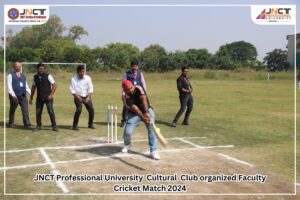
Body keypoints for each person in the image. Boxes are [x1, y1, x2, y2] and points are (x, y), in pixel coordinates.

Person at [121, 80, 160, 160]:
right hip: (134, 113)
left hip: (147, 109)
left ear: (133, 85)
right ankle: (127, 144)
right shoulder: (126, 98)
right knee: (127, 132)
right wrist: (143, 118)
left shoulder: (139, 88)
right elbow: (135, 109)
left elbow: (143, 99)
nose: (130, 90)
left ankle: (153, 151)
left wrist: (146, 112)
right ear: (125, 90)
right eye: (128, 89)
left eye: (131, 88)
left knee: (150, 128)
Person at [29, 63, 58, 132]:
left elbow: (55, 85)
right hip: (39, 98)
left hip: (48, 98)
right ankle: (38, 126)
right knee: (38, 112)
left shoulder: (48, 76)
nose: (41, 70)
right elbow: (33, 88)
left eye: (42, 69)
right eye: (40, 69)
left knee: (50, 111)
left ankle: (54, 126)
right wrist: (31, 98)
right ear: (37, 69)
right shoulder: (35, 77)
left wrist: (51, 95)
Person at [120, 59, 147, 127]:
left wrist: (144, 92)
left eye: (136, 66)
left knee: (137, 107)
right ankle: (124, 121)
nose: (135, 67)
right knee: (126, 107)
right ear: (131, 66)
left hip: (138, 93)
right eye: (134, 66)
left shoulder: (140, 73)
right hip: (129, 93)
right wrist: (123, 94)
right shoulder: (126, 74)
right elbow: (123, 85)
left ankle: (136, 121)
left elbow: (143, 83)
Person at [7, 62, 31, 128]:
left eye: (19, 66)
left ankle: (27, 124)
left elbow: (26, 86)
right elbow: (9, 86)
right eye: (17, 66)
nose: (18, 68)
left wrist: (30, 93)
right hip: (14, 95)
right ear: (14, 67)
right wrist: (12, 94)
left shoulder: (23, 76)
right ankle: (11, 123)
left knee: (25, 109)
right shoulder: (10, 75)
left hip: (23, 95)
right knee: (13, 109)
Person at [70, 65, 95, 130]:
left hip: (87, 96)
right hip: (77, 96)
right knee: (79, 109)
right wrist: (77, 97)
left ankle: (90, 124)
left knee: (91, 109)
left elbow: (91, 88)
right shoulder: (73, 79)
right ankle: (74, 125)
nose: (82, 73)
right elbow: (72, 90)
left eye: (83, 72)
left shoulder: (88, 78)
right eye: (80, 72)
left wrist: (88, 97)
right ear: (77, 72)